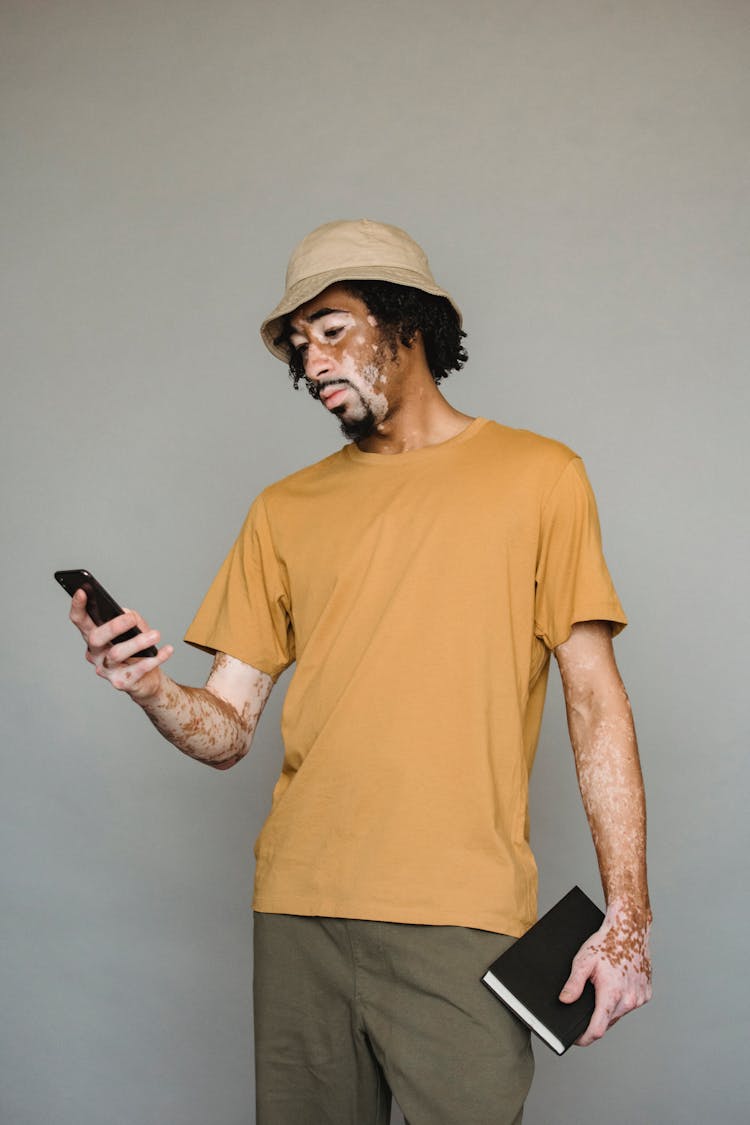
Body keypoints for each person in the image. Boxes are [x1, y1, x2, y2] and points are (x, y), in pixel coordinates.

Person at [69, 219, 652, 1124]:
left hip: (461, 915)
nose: (313, 362)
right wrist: (149, 686)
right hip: (298, 911)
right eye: (300, 345)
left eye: (333, 329)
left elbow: (596, 706)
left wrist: (628, 921)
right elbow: (226, 731)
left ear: (405, 320)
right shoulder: (283, 509)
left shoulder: (542, 477)